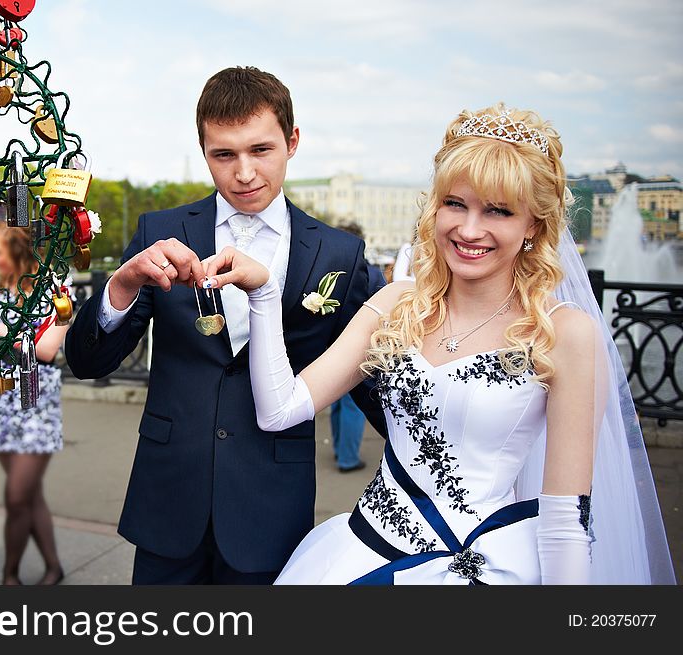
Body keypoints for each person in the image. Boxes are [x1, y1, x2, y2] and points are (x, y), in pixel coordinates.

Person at [202, 103, 676, 584]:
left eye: (498, 210)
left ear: (533, 224)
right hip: (359, 555)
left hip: (486, 570)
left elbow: (565, 523)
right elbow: (279, 410)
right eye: (456, 204)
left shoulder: (563, 332)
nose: (469, 230)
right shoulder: (395, 303)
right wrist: (262, 294)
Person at [65, 66, 376, 584]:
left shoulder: (339, 253)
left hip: (271, 504)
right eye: (224, 154)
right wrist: (119, 289)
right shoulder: (159, 231)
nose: (244, 172)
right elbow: (86, 360)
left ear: (292, 141)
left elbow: (370, 379)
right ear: (203, 149)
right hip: (168, 498)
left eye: (261, 150)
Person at [0, 224, 69, 585]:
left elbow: (45, 351)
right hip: (3, 402)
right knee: (29, 494)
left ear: (18, 253)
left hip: (36, 404)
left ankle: (9, 576)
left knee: (16, 496)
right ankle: (54, 566)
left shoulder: (53, 293)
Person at [331, 222, 386, 472]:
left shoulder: (328, 271)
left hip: (328, 348)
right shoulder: (371, 273)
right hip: (361, 353)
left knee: (336, 402)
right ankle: (347, 458)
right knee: (354, 407)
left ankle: (339, 448)